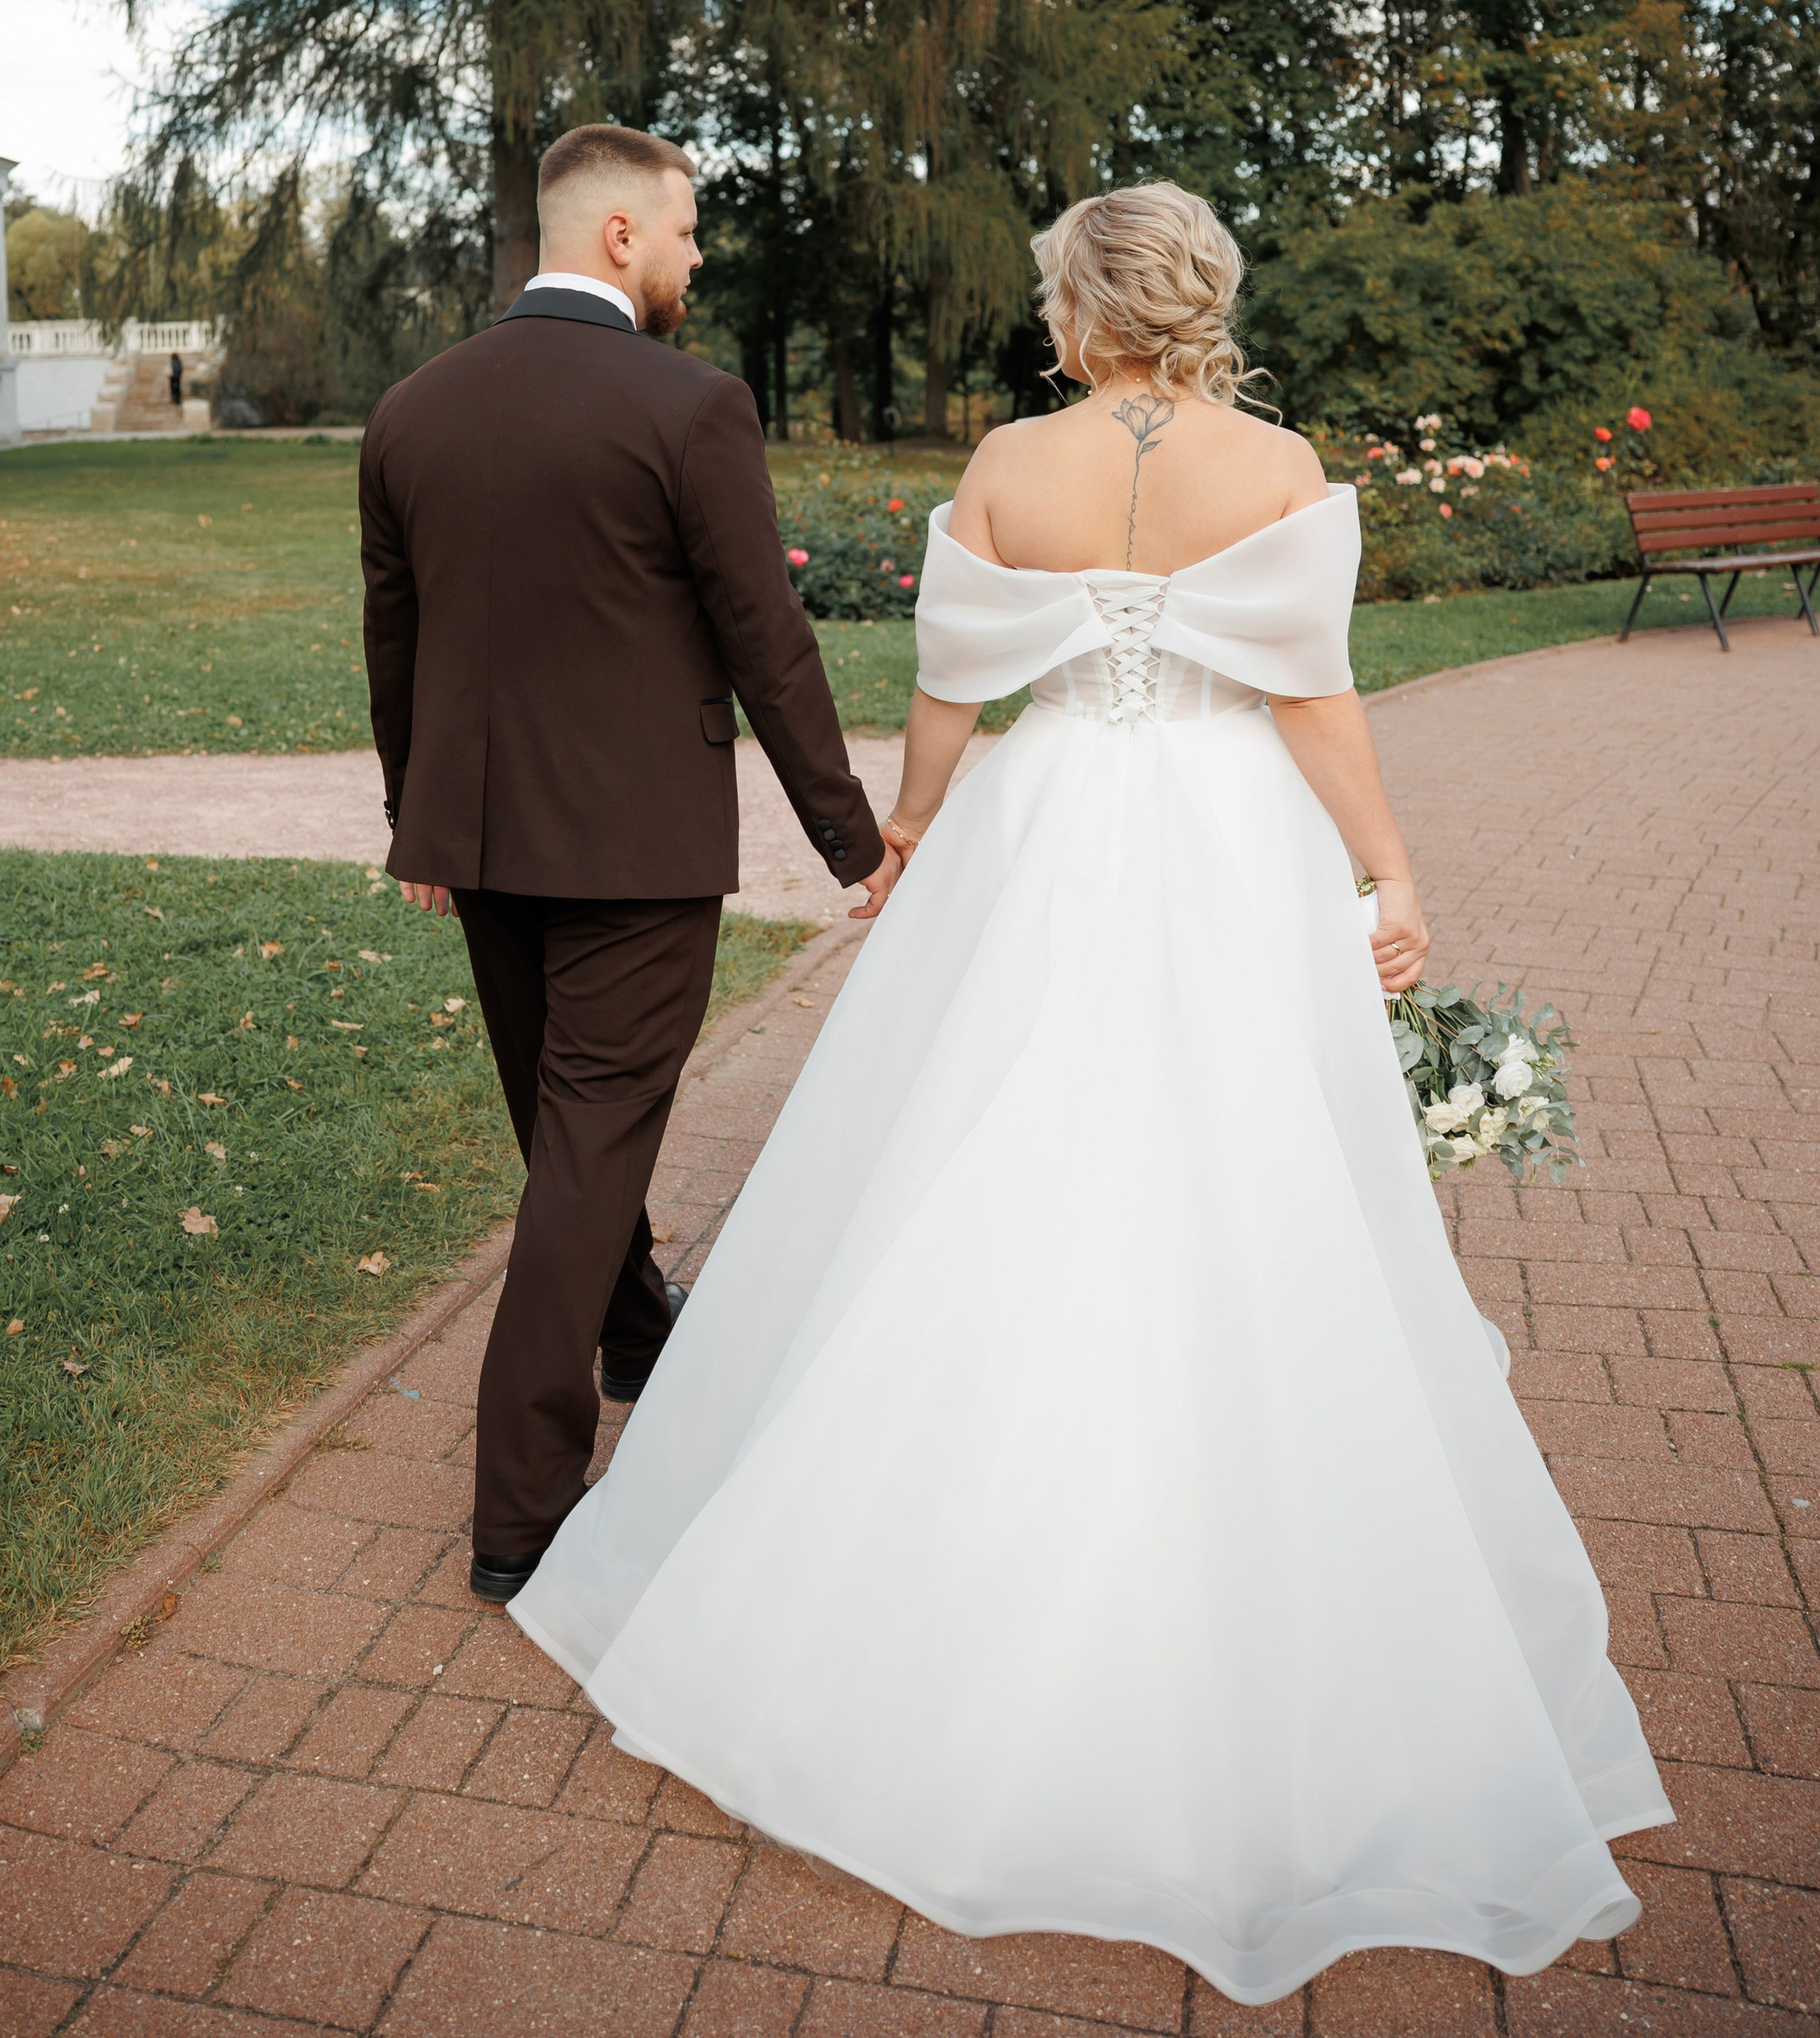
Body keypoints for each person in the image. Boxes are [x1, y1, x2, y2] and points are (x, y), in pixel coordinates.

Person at [511, 180, 1669, 2002]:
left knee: (987, 1153)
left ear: (1075, 308)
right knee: (1240, 1173)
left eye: (1051, 292)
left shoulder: (1007, 461)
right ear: (1196, 298)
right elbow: (1312, 696)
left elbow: (959, 691)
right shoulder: (1274, 464)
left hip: (1047, 836)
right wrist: (1387, 874)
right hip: (1225, 842)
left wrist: (906, 832)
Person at [358, 122, 897, 1605]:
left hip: (477, 843)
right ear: (616, 237)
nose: (696, 254)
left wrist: (418, 824)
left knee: (567, 1135)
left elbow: (393, 641)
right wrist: (852, 838)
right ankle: (520, 1513)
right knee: (589, 1143)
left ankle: (639, 1329)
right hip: (637, 852)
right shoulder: (691, 405)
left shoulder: (412, 408)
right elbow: (764, 640)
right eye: (685, 230)